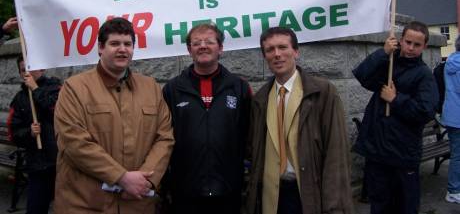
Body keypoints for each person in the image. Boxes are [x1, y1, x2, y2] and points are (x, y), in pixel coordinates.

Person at [54, 17, 174, 214]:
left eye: (128, 44)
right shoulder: (74, 88)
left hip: (137, 202)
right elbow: (73, 143)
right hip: (86, 204)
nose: (122, 49)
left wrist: (146, 182)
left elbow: (165, 138)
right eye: (115, 43)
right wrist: (122, 178)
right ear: (101, 48)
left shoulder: (151, 87)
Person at [246, 26, 353, 214]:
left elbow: (336, 154)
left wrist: (334, 205)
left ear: (296, 51)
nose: (277, 54)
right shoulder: (260, 100)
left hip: (309, 194)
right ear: (265, 56)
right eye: (270, 49)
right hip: (272, 197)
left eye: (282, 47)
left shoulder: (322, 93)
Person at [162, 23, 251, 214]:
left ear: (220, 48)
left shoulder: (239, 88)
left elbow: (248, 135)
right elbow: (163, 137)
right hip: (185, 191)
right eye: (196, 43)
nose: (203, 46)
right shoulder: (172, 89)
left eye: (209, 42)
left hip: (228, 190)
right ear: (189, 50)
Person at [353, 20, 438, 214]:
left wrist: (396, 99)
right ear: (401, 40)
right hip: (378, 151)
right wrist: (382, 53)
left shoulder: (424, 75)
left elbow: (426, 111)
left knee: (404, 206)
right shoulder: (390, 62)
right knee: (379, 204)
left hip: (403, 154)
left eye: (417, 45)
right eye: (408, 42)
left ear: (424, 46)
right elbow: (362, 76)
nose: (410, 48)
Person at [7, 56, 61, 214]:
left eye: (30, 68)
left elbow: (59, 112)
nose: (27, 73)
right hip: (37, 164)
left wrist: (35, 89)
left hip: (59, 161)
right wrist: (29, 133)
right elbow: (13, 133)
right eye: (23, 70)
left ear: (42, 68)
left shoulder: (56, 88)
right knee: (36, 208)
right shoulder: (19, 99)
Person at [442, 35, 460, 204]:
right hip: (457, 117)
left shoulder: (452, 60)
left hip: (453, 116)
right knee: (458, 156)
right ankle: (453, 190)